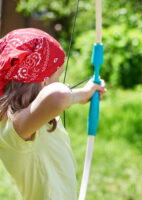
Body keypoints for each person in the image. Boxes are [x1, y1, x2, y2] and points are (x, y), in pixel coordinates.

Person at [0, 28, 106, 200]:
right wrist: (77, 95)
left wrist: (85, 94)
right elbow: (58, 95)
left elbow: (55, 98)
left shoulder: (32, 118)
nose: (61, 82)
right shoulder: (17, 126)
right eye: (58, 75)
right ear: (43, 83)